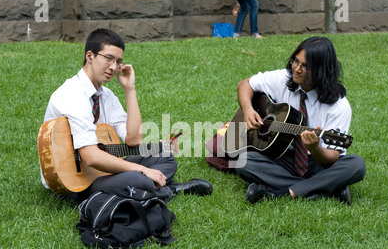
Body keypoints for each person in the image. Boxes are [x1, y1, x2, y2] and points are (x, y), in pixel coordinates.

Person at [41, 28, 212, 202]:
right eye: (108, 58)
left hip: (100, 171)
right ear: (90, 56)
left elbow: (133, 139)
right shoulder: (72, 93)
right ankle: (167, 190)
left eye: (118, 61)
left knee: (165, 157)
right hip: (74, 183)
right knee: (137, 176)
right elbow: (91, 157)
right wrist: (142, 170)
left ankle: (143, 188)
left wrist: (130, 89)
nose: (114, 67)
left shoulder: (105, 95)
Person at [234, 36, 366, 204]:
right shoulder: (283, 78)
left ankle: (283, 192)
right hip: (282, 156)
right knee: (244, 162)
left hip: (317, 164)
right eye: (295, 61)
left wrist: (315, 147)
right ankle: (326, 190)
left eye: (305, 66)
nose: (296, 69)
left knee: (356, 165)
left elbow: (332, 157)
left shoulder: (339, 106)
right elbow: (245, 84)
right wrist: (248, 110)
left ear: (321, 70)